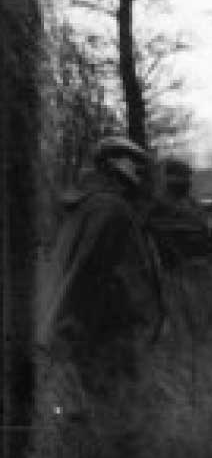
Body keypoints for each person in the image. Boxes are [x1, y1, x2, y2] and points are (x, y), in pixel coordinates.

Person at [41, 133, 166, 399]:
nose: (142, 174)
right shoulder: (109, 209)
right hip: (108, 336)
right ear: (115, 165)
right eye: (135, 164)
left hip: (101, 333)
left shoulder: (94, 204)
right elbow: (85, 272)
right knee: (112, 411)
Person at [143, 156, 212, 269]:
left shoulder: (188, 200)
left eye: (188, 177)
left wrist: (208, 224)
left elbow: (201, 217)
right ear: (171, 178)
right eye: (183, 177)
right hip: (180, 263)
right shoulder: (160, 203)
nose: (188, 181)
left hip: (202, 260)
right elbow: (159, 231)